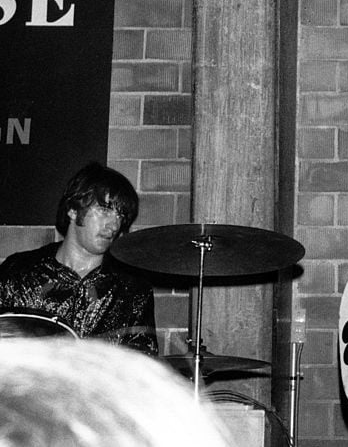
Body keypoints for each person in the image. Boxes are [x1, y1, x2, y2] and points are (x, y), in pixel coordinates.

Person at [0, 162, 158, 355]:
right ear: (73, 210)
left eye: (121, 215)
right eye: (104, 210)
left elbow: (143, 362)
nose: (114, 225)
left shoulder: (132, 290)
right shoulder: (19, 273)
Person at [0, 338, 234, 447]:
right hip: (29, 403)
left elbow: (142, 356)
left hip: (107, 406)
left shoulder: (131, 287)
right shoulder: (21, 272)